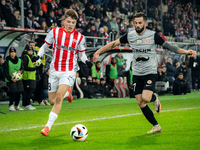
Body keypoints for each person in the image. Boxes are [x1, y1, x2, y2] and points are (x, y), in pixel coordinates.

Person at [93, 12, 196, 134]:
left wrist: (185, 52)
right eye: (135, 23)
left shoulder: (153, 35)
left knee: (146, 98)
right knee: (140, 101)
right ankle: (156, 125)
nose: (137, 25)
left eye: (140, 23)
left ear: (145, 23)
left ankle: (154, 97)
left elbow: (169, 46)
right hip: (137, 72)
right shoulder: (130, 35)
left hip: (150, 71)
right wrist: (98, 52)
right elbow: (114, 44)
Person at [32, 9, 92, 136]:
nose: (70, 25)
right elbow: (45, 46)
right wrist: (38, 56)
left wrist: (87, 61)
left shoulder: (79, 37)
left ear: (76, 23)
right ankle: (67, 94)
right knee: (52, 101)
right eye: (68, 22)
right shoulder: (54, 32)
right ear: (64, 21)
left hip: (69, 70)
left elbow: (82, 55)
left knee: (58, 97)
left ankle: (47, 127)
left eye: (73, 22)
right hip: (54, 70)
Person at [21, 46, 37, 110]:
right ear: (27, 51)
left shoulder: (32, 58)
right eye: (29, 51)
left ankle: (27, 104)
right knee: (28, 91)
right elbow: (24, 67)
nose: (30, 52)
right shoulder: (25, 57)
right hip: (27, 77)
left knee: (30, 91)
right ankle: (27, 104)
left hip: (32, 77)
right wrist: (32, 69)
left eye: (31, 51)